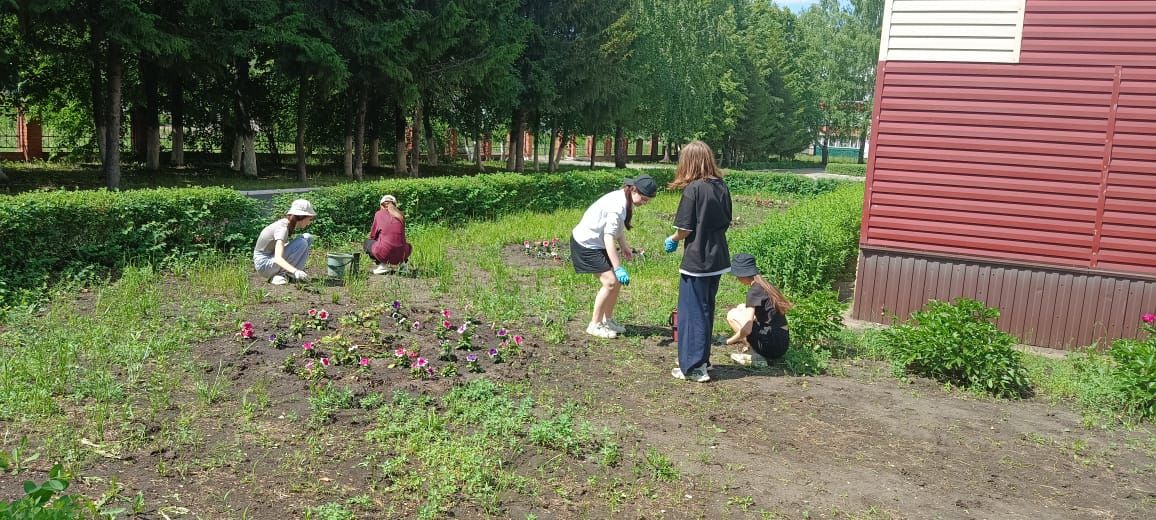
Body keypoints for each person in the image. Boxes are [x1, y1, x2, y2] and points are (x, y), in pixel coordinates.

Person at [663, 140, 733, 382]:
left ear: (689, 162)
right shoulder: (721, 186)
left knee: (692, 313)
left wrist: (672, 239)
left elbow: (684, 228)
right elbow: (726, 221)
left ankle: (692, 367)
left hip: (697, 260)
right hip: (718, 259)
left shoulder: (693, 189)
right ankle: (700, 359)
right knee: (705, 310)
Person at [571, 174, 658, 339]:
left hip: (597, 243)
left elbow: (616, 229)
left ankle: (607, 319)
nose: (644, 203)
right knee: (610, 281)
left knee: (615, 283)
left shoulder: (626, 199)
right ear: (633, 189)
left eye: (647, 201)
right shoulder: (617, 206)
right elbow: (608, 237)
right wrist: (617, 268)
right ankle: (594, 325)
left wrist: (624, 246)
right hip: (585, 244)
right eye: (644, 199)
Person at [724, 253, 792, 366]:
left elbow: (747, 330)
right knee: (741, 307)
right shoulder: (766, 286)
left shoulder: (754, 292)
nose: (736, 279)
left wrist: (728, 341)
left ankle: (755, 354)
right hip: (782, 343)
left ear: (742, 275)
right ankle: (755, 349)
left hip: (770, 346)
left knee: (732, 315)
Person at [253, 199, 315, 285]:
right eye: (310, 219)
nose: (309, 222)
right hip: (264, 265)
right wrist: (295, 271)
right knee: (302, 242)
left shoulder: (288, 225)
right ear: (302, 217)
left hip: (270, 260)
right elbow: (278, 258)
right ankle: (282, 275)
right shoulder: (282, 229)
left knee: (307, 237)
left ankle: (290, 274)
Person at [366, 194, 413, 274]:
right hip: (403, 254)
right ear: (395, 205)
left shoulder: (379, 214)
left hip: (384, 253)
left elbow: (373, 236)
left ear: (382, 205)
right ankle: (403, 266)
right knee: (403, 243)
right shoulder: (400, 215)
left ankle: (382, 265)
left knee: (367, 243)